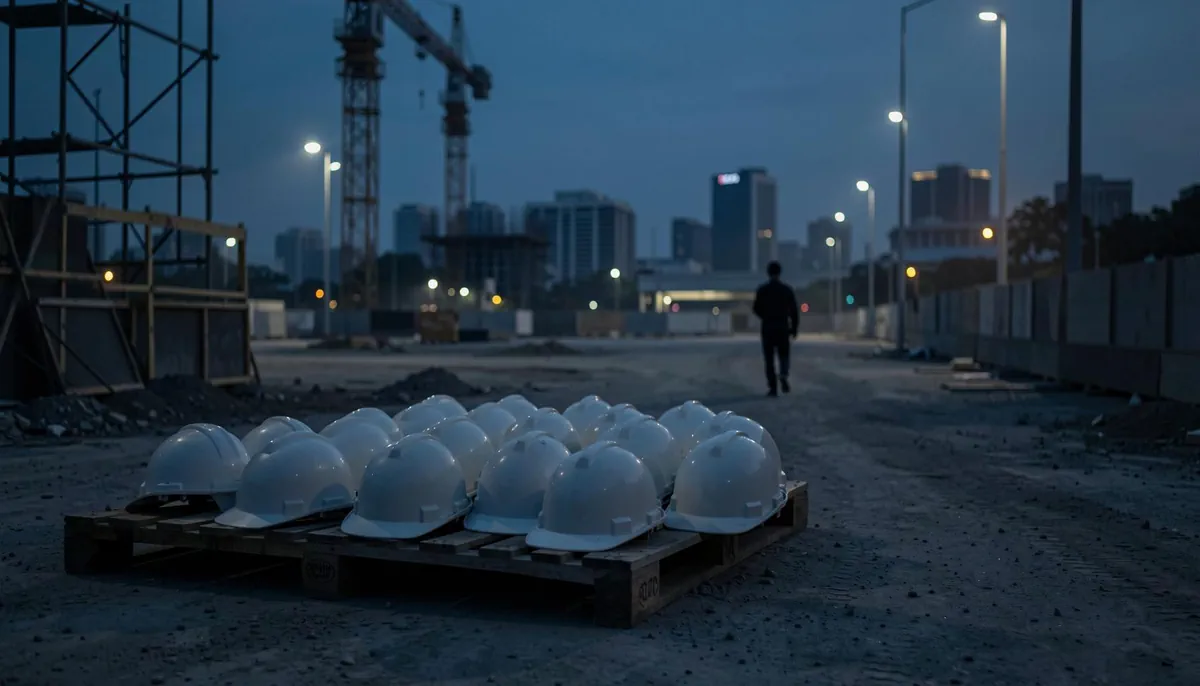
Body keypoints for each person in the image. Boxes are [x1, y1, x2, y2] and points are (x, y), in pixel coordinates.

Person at [752, 260, 799, 397]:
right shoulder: (787, 290)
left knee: (769, 358)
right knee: (784, 355)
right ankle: (783, 374)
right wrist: (794, 328)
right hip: (783, 327)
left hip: (768, 327)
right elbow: (794, 311)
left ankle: (773, 387)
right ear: (780, 273)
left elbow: (756, 308)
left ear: (768, 273)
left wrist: (765, 316)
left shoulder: (762, 290)